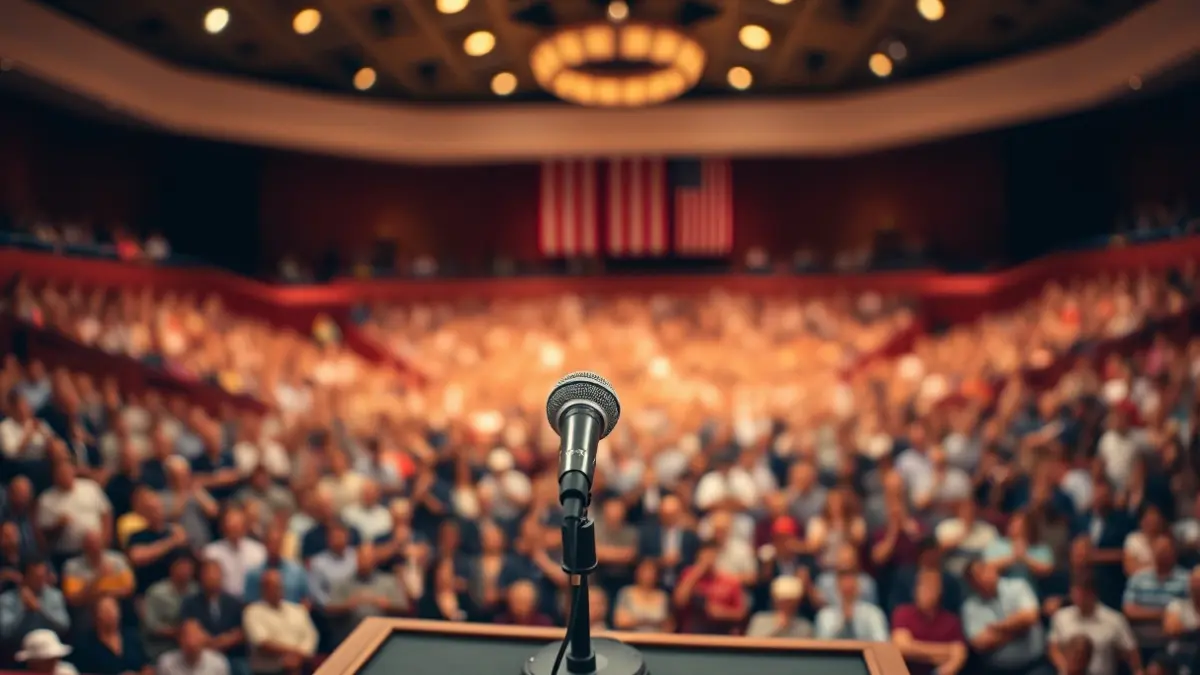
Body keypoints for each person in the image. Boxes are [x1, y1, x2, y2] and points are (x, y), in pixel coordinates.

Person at [961, 559, 1051, 675]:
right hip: (998, 670)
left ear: (993, 570)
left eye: (985, 571)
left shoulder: (1018, 586)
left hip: (1034, 665)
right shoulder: (970, 607)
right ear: (971, 584)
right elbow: (980, 644)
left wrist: (997, 627)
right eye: (977, 576)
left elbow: (1030, 617)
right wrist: (1019, 629)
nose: (983, 578)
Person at [1048, 575, 1141, 675]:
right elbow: (1053, 648)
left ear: (1093, 594)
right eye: (1075, 593)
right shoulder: (1061, 617)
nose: (1078, 598)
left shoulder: (1114, 620)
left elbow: (1131, 652)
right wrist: (1064, 667)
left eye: (1082, 594)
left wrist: (1138, 671)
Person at [890, 570, 967, 675]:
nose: (924, 593)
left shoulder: (951, 620)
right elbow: (902, 647)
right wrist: (943, 652)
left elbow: (959, 653)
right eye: (921, 587)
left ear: (939, 592)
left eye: (930, 588)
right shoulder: (902, 613)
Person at [243, 569, 319, 675]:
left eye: (279, 586)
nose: (278, 590)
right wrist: (293, 652)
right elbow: (262, 643)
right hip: (269, 670)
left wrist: (299, 656)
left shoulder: (297, 610)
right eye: (273, 587)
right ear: (263, 589)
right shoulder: (252, 612)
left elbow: (311, 636)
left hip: (300, 666)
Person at [70, 596, 148, 675]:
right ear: (96, 615)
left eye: (114, 609)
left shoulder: (132, 636)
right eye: (106, 611)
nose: (112, 614)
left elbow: (147, 667)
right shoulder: (85, 644)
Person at [814, 567, 889, 642]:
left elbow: (882, 642)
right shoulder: (824, 615)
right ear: (837, 585)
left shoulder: (873, 613)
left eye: (851, 581)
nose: (847, 585)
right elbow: (822, 645)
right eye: (843, 581)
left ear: (858, 584)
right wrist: (843, 622)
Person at [745, 576, 813, 638]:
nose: (787, 605)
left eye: (790, 601)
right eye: (782, 601)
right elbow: (751, 645)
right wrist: (778, 627)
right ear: (775, 601)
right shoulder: (760, 619)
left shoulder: (805, 626)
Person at [156, 619, 231, 675]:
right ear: (179, 640)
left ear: (203, 639)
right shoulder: (166, 663)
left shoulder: (218, 663)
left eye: (195, 637)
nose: (190, 641)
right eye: (186, 636)